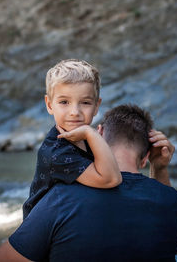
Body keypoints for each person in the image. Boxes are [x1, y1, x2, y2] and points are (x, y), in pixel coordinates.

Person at [0, 104, 177, 262]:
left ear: (99, 135)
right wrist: (159, 168)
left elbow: (3, 259)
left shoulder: (63, 196)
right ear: (145, 159)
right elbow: (164, 216)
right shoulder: (173, 200)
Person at [22, 59, 122, 218]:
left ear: (97, 106)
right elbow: (111, 179)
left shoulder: (84, 138)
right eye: (64, 102)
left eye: (85, 102)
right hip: (45, 232)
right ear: (49, 105)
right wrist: (92, 134)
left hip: (72, 216)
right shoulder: (57, 152)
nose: (75, 112)